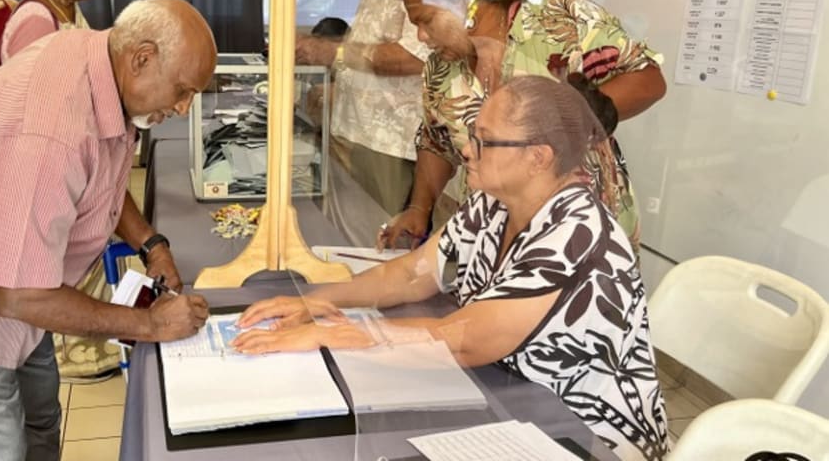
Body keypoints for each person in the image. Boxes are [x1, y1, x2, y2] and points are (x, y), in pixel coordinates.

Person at [233, 76, 670, 461]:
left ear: (538, 157)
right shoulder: (492, 202)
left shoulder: (578, 234)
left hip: (583, 436)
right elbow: (412, 274)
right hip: (505, 402)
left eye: (484, 139)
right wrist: (314, 301)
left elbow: (464, 341)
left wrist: (332, 335)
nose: (466, 148)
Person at [0, 0, 216, 460]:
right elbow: (20, 295)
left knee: (40, 423)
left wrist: (150, 244)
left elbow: (102, 175)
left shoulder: (101, 63)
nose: (182, 108)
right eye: (182, 90)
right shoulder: (49, 128)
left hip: (19, 276)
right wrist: (148, 323)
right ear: (143, 57)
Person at [380, 0, 666, 252]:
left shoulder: (561, 21)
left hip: (578, 233)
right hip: (491, 239)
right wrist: (419, 210)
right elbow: (436, 141)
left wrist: (573, 116)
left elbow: (648, 79)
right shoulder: (441, 68)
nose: (422, 37)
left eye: (426, 20)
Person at [295, 0, 451, 224]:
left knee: (375, 243)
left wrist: (333, 53)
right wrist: (334, 79)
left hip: (391, 142)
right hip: (353, 128)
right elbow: (369, 38)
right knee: (342, 239)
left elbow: (417, 57)